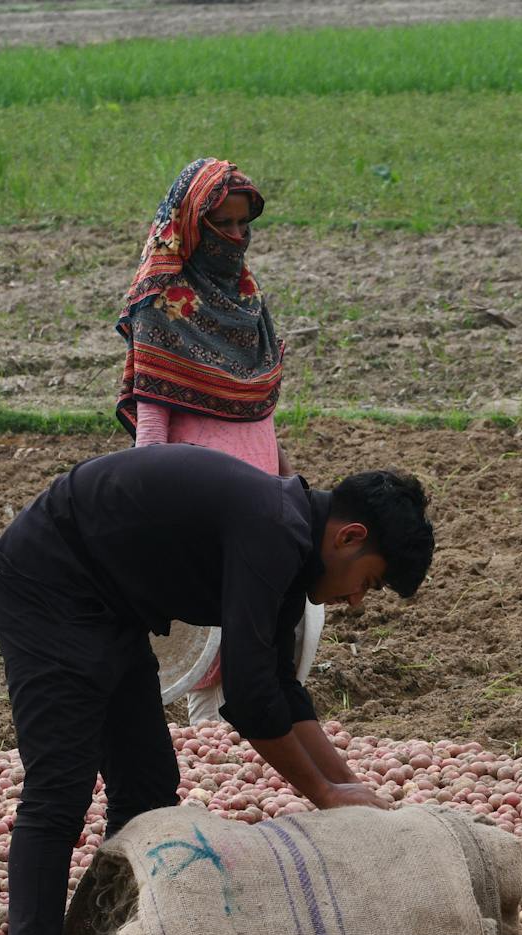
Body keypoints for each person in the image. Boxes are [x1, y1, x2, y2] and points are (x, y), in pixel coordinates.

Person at [0, 445, 434, 935]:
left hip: (110, 605)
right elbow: (248, 699)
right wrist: (325, 795)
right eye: (370, 581)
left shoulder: (291, 535)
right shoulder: (274, 530)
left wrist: (346, 785)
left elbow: (280, 680)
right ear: (349, 536)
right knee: (60, 787)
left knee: (147, 783)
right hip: (48, 583)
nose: (357, 600)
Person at [117, 156, 299, 724]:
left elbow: (259, 413)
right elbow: (153, 424)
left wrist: (287, 480)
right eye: (225, 225)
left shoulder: (246, 300)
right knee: (215, 645)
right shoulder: (165, 301)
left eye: (246, 225)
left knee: (265, 645)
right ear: (193, 224)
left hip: (261, 500)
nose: (238, 238)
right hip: (203, 508)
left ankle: (244, 769)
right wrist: (145, 518)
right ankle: (210, 771)